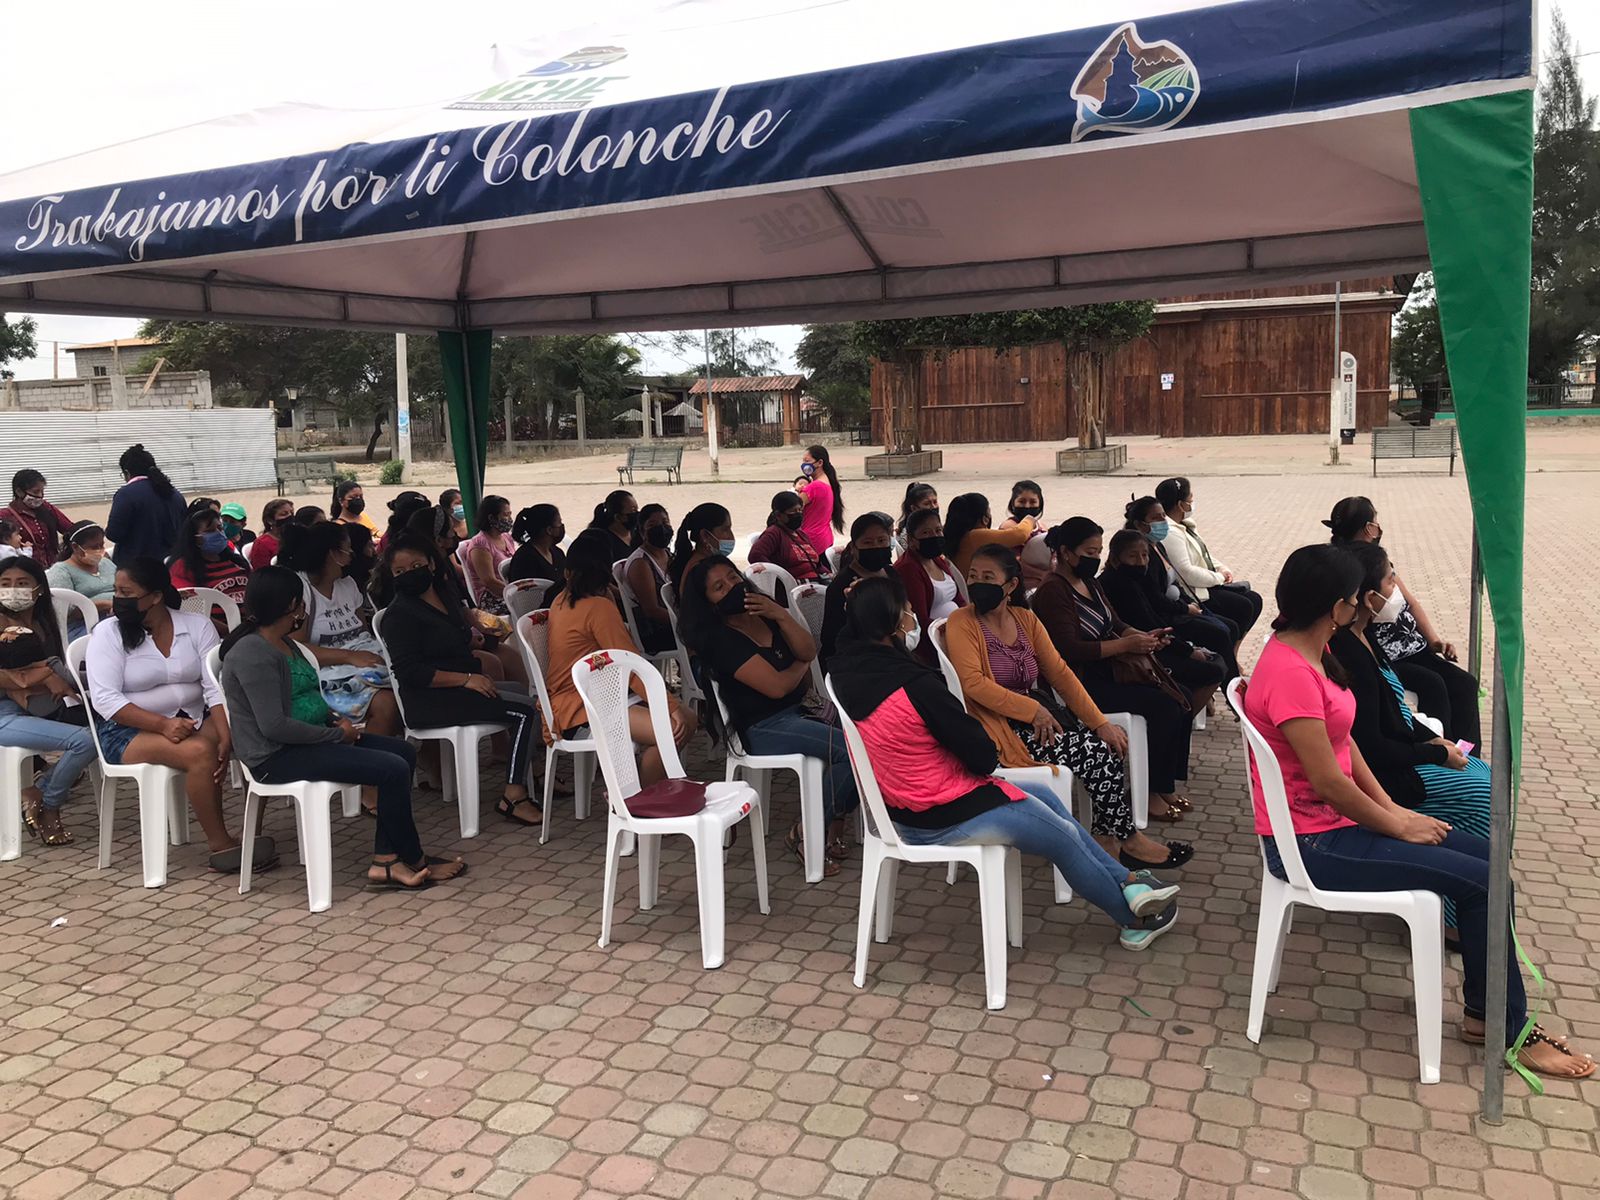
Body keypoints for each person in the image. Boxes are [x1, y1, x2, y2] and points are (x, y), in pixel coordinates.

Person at [1246, 544, 1591, 1079]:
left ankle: (1485, 1013)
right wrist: (1396, 823)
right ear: (1337, 607)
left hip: (1338, 825)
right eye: (1356, 599)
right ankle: (1505, 1027)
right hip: (1313, 844)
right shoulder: (1291, 671)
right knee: (1484, 883)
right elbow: (1328, 782)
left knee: (1490, 862)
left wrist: (1390, 807)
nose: (1363, 605)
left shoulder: (1314, 649)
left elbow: (1344, 745)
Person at [829, 575, 1181, 950]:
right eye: (909, 611)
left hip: (902, 809)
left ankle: (1129, 881)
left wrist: (861, 603)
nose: (913, 617)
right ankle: (1134, 917)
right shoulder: (916, 686)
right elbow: (983, 758)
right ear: (895, 623)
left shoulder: (847, 670)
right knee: (1061, 838)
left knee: (1047, 798)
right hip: (941, 814)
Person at [219, 567, 463, 892]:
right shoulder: (252, 654)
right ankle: (410, 859)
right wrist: (337, 735)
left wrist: (336, 721)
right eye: (302, 603)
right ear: (292, 605)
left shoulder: (284, 643)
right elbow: (274, 726)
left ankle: (387, 857)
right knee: (391, 769)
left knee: (402, 752)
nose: (305, 610)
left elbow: (307, 698)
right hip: (275, 756)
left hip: (309, 739)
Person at [952, 543, 1190, 870]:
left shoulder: (1025, 619)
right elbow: (973, 684)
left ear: (1010, 585)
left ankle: (1109, 838)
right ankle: (1128, 840)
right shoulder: (962, 621)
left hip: (1035, 720)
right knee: (1096, 753)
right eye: (973, 576)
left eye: (988, 577)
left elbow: (1060, 674)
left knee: (1108, 742)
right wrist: (1032, 710)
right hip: (996, 730)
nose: (977, 583)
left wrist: (1099, 723)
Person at [1329, 541, 1492, 933]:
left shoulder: (1366, 637)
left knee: (1483, 772)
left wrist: (1437, 742)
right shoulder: (1348, 654)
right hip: (1387, 774)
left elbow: (1395, 714)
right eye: (1390, 581)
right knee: (1483, 793)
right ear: (1368, 598)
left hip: (1402, 753)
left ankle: (1471, 882)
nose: (1396, 589)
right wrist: (1434, 754)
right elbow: (1372, 747)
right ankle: (1452, 915)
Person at [86, 558, 269, 874]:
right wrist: (163, 725)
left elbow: (214, 685)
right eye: (116, 591)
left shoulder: (196, 626)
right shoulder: (108, 632)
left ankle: (253, 831)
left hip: (194, 717)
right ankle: (221, 844)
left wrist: (225, 733)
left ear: (156, 596)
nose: (118, 599)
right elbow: (105, 700)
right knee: (199, 752)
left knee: (249, 736)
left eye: (126, 592)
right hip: (125, 730)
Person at [679, 555, 856, 875]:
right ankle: (808, 832)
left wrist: (781, 615)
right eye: (719, 587)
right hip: (762, 725)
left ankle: (827, 825)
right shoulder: (720, 639)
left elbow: (807, 647)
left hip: (803, 708)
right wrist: (801, 663)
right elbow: (777, 687)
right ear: (709, 603)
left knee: (868, 739)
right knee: (849, 750)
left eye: (733, 578)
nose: (731, 587)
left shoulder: (765, 614)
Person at [1032, 519, 1207, 829]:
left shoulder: (1090, 583)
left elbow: (1115, 623)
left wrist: (1144, 638)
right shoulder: (1053, 591)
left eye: (1098, 551)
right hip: (1079, 683)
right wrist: (1126, 645)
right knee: (1163, 707)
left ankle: (1163, 785)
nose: (1096, 558)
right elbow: (1069, 650)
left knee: (1181, 695)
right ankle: (1148, 793)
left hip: (1108, 671)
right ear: (1066, 553)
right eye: (1089, 552)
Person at [379, 534, 545, 827]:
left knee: (520, 692)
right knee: (526, 711)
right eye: (399, 571)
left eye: (415, 566)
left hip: (458, 689)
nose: (409, 575)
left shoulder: (446, 597)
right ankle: (514, 795)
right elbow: (410, 672)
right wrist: (466, 679)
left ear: (431, 564)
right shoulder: (399, 615)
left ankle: (529, 772)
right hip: (431, 699)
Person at [544, 530, 697, 789]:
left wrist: (667, 703)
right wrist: (670, 705)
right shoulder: (598, 606)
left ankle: (648, 791)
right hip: (582, 705)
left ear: (568, 572)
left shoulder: (561, 599)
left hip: (584, 697)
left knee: (686, 719)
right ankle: (641, 802)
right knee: (673, 728)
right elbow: (629, 664)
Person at [1325, 496, 1480, 746]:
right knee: (1434, 684)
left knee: (1465, 683)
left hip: (1414, 648)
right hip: (1387, 656)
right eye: (1375, 522)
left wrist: (1434, 641)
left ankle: (1466, 751)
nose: (1394, 587)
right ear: (1369, 528)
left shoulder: (1377, 560)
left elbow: (1411, 603)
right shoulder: (1347, 570)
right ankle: (1444, 747)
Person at [0, 555, 96, 847]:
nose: (13, 590)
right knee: (85, 740)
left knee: (104, 727)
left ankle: (38, 792)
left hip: (35, 708)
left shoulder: (42, 623)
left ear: (38, 588)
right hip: (6, 715)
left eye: (22, 583)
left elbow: (58, 669)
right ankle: (48, 803)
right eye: (5, 584)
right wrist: (44, 676)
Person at [278, 521, 403, 741]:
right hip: (325, 673)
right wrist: (350, 657)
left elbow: (362, 633)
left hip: (361, 663)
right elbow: (296, 649)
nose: (352, 554)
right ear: (332, 554)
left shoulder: (347, 584)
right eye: (347, 548)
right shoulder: (302, 589)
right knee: (386, 705)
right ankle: (369, 759)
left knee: (410, 687)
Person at [1120, 496, 1240, 678]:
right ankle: (1231, 682)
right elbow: (1155, 598)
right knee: (1220, 633)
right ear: (1140, 525)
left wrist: (1189, 604)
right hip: (1167, 616)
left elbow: (1175, 580)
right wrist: (1186, 609)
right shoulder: (1144, 557)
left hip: (1179, 608)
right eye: (1156, 518)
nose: (1163, 522)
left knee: (1231, 625)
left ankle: (1232, 675)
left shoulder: (1158, 546)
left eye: (1163, 516)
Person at [1100, 529, 1232, 689]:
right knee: (1213, 669)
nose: (1141, 562)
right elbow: (1146, 622)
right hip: (1139, 649)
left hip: (1154, 639)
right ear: (1115, 559)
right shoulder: (1119, 584)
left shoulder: (1133, 579)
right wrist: (1187, 650)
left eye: (1144, 555)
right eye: (1132, 556)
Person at [1154, 476, 1263, 642]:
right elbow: (1187, 572)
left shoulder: (1185, 524)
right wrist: (1219, 578)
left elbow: (1203, 552)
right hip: (1195, 591)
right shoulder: (1170, 532)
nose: (1192, 503)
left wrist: (1222, 568)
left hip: (1206, 582)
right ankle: (1231, 652)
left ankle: (1234, 650)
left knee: (1254, 599)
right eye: (1190, 499)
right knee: (1243, 607)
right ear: (1180, 504)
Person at [819, 511, 896, 666]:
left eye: (882, 540)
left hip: (894, 655)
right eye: (868, 542)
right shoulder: (842, 586)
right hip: (856, 663)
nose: (876, 546)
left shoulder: (892, 574)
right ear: (854, 548)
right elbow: (832, 639)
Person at [893, 507, 965, 665]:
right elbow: (920, 618)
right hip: (934, 645)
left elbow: (959, 598)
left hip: (958, 634)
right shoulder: (908, 569)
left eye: (938, 530)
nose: (934, 536)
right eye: (926, 533)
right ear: (912, 540)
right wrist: (954, 631)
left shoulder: (937, 560)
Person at [105, 444, 188, 565]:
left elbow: (114, 534)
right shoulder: (175, 494)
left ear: (127, 472)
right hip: (171, 564)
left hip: (137, 568)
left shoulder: (126, 494)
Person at [168, 507, 252, 607]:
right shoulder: (183, 568)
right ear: (195, 538)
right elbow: (189, 606)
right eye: (210, 531)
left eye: (220, 528)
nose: (218, 533)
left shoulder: (237, 562)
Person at [623, 504, 676, 653]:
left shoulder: (668, 555)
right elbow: (651, 610)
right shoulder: (640, 563)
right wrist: (684, 622)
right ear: (642, 532)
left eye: (665, 523)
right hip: (655, 631)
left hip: (672, 623)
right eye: (653, 525)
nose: (661, 528)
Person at [944, 492, 1035, 578]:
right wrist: (1030, 519)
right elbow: (1020, 534)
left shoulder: (953, 535)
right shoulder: (974, 537)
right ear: (985, 519)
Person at [749, 491, 828, 583]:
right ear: (779, 515)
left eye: (799, 510)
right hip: (795, 585)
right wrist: (779, 576)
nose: (798, 514)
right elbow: (755, 555)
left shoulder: (801, 535)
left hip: (816, 581)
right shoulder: (773, 533)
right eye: (793, 511)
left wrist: (827, 574)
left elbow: (817, 564)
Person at [47, 520, 118, 622]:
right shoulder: (62, 572)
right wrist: (104, 604)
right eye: (94, 547)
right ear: (75, 547)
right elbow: (64, 611)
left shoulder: (106, 563)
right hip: (85, 624)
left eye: (101, 545)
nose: (99, 550)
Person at [1, 469, 72, 562]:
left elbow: (70, 529)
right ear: (19, 492)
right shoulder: (5, 516)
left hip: (53, 565)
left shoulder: (47, 508)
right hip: (27, 568)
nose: (40, 495)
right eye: (36, 492)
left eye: (42, 491)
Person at [461, 494, 516, 615]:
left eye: (510, 514)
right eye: (505, 515)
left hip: (508, 590)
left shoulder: (506, 538)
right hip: (492, 598)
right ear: (492, 518)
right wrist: (515, 593)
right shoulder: (480, 545)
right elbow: (489, 581)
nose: (510, 519)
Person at [997, 479, 1052, 590]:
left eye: (1033, 502)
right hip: (1020, 585)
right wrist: (1042, 575)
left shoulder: (1042, 526)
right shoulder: (1009, 527)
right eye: (1022, 501)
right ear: (1013, 503)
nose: (1027, 506)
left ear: (1040, 504)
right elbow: (1012, 562)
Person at [668, 502, 734, 594]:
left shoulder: (702, 560)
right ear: (705, 535)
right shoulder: (701, 569)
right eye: (725, 530)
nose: (731, 536)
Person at [508, 503, 567, 596]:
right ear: (549, 530)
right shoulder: (525, 559)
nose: (561, 526)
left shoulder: (557, 552)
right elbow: (523, 596)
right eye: (559, 523)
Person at [796, 444, 844, 556]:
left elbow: (792, 507)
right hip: (824, 538)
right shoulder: (826, 482)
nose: (804, 465)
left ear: (819, 463)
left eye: (807, 461)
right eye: (803, 461)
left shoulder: (813, 487)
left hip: (812, 540)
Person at [588, 490, 639, 564]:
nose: (637, 513)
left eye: (637, 509)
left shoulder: (637, 533)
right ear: (618, 517)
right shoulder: (604, 542)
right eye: (633, 510)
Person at [249, 499, 295, 571]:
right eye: (284, 514)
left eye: (291, 513)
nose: (290, 516)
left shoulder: (294, 537)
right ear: (270, 520)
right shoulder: (262, 544)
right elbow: (261, 572)